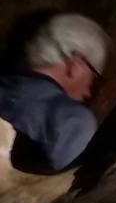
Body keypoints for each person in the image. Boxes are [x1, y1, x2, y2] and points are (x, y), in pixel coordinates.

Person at [0, 13, 109, 173]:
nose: (88, 93)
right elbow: (74, 192)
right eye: (94, 80)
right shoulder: (72, 121)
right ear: (76, 64)